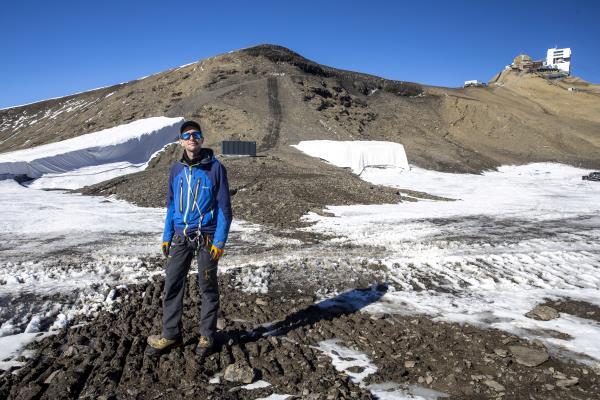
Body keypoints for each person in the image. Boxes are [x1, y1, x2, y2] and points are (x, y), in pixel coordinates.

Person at [146, 120, 233, 358]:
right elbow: (171, 205)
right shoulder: (176, 170)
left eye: (196, 134)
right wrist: (166, 236)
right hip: (181, 237)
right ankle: (171, 335)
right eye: (187, 135)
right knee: (172, 284)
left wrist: (219, 242)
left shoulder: (216, 168)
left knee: (207, 287)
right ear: (181, 141)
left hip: (206, 238)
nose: (191, 138)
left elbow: (225, 209)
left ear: (202, 139)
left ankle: (207, 335)